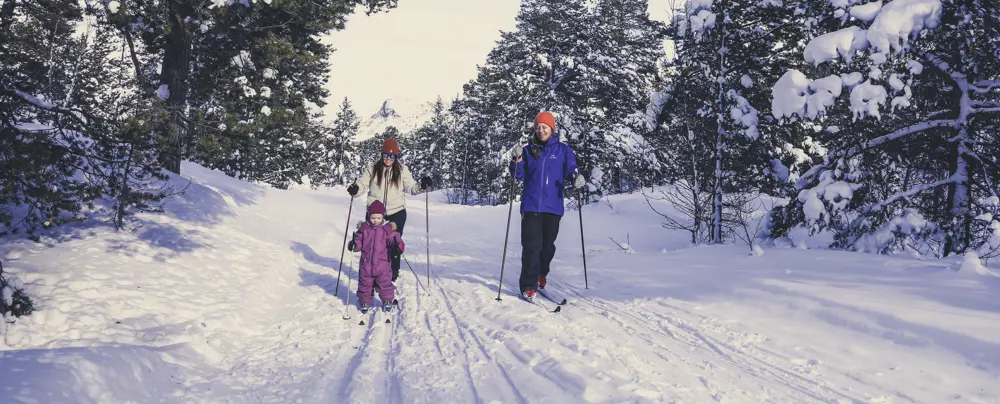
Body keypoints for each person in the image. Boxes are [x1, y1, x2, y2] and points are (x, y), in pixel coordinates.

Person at [509, 111, 586, 301]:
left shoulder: (563, 151)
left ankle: (541, 275)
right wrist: (516, 159)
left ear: (552, 128)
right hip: (531, 206)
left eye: (544, 127)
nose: (541, 130)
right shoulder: (527, 150)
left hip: (553, 207)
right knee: (531, 247)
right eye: (537, 127)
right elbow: (517, 176)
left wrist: (577, 177)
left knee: (547, 248)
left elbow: (571, 170)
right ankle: (528, 285)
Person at [347, 138, 431, 281]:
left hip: (397, 212)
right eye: (385, 155)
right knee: (371, 244)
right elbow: (362, 184)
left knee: (394, 243)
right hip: (375, 213)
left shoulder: (402, 170)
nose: (388, 159)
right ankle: (371, 273)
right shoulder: (372, 168)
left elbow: (411, 187)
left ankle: (393, 273)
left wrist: (422, 186)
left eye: (392, 156)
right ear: (381, 155)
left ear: (396, 156)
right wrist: (356, 189)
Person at [347, 200, 404, 312]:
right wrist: (354, 244)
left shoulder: (387, 229)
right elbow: (358, 242)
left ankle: (387, 300)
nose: (376, 220)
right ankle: (364, 300)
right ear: (369, 216)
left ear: (383, 217)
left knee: (385, 283)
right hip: (366, 264)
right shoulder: (364, 229)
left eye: (378, 218)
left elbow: (394, 239)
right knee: (365, 284)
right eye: (373, 218)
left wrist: (398, 246)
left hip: (383, 264)